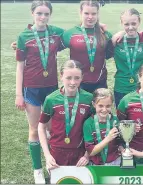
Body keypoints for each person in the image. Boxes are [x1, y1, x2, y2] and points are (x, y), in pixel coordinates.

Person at [15, 1, 64, 183]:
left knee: (53, 129)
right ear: (32, 13)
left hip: (51, 88)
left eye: (46, 14)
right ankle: (37, 169)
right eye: (39, 13)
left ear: (50, 15)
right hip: (31, 88)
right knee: (35, 129)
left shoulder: (56, 33)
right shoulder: (24, 36)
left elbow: (76, 35)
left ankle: (53, 166)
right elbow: (20, 67)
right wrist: (18, 94)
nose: (42, 17)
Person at [38, 60, 93, 171]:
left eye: (77, 78)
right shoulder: (51, 99)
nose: (72, 82)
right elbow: (41, 126)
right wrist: (47, 156)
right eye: (68, 78)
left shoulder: (89, 98)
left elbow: (93, 127)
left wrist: (87, 155)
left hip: (80, 154)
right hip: (56, 153)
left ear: (82, 77)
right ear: (61, 76)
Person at [62, 0, 113, 93]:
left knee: (100, 107)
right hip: (77, 82)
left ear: (98, 14)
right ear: (80, 12)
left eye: (94, 14)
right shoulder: (70, 33)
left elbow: (111, 52)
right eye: (86, 13)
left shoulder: (106, 35)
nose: (90, 17)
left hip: (100, 82)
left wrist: (120, 34)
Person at [112, 8, 143, 107]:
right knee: (122, 119)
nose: (130, 27)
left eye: (133, 24)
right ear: (121, 24)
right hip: (121, 86)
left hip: (140, 86)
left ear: (139, 22)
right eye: (126, 24)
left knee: (139, 117)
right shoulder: (116, 40)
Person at [83, 88, 121, 165]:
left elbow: (119, 142)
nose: (104, 109)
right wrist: (108, 138)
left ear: (112, 105)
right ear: (94, 104)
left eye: (108, 106)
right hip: (96, 164)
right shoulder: (88, 123)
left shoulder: (115, 120)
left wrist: (122, 148)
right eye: (100, 106)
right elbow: (91, 152)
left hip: (115, 162)